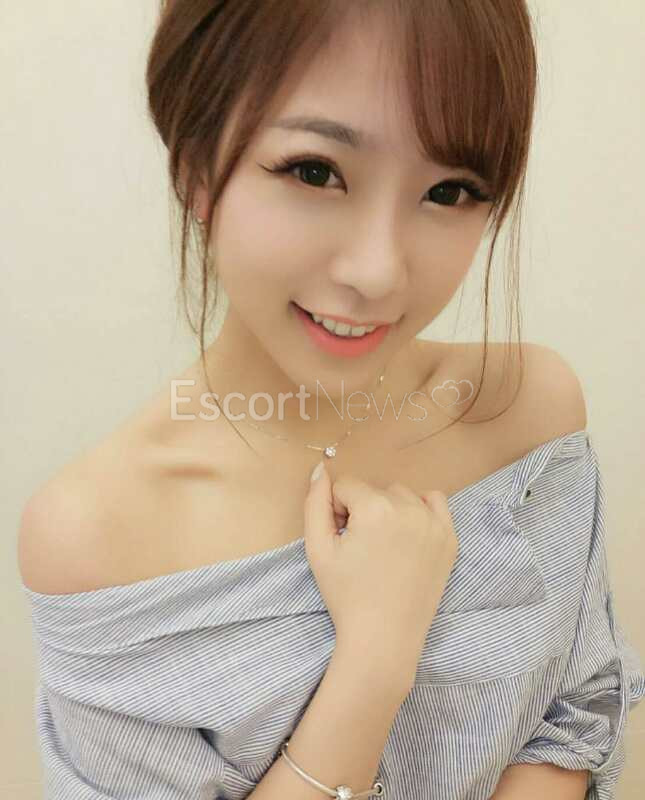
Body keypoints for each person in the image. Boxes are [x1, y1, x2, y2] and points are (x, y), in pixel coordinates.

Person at [18, 1, 644, 799]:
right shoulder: (98, 534)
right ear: (196, 168)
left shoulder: (524, 415)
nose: (377, 271)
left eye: (449, 190)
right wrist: (374, 661)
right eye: (315, 171)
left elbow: (572, 721)